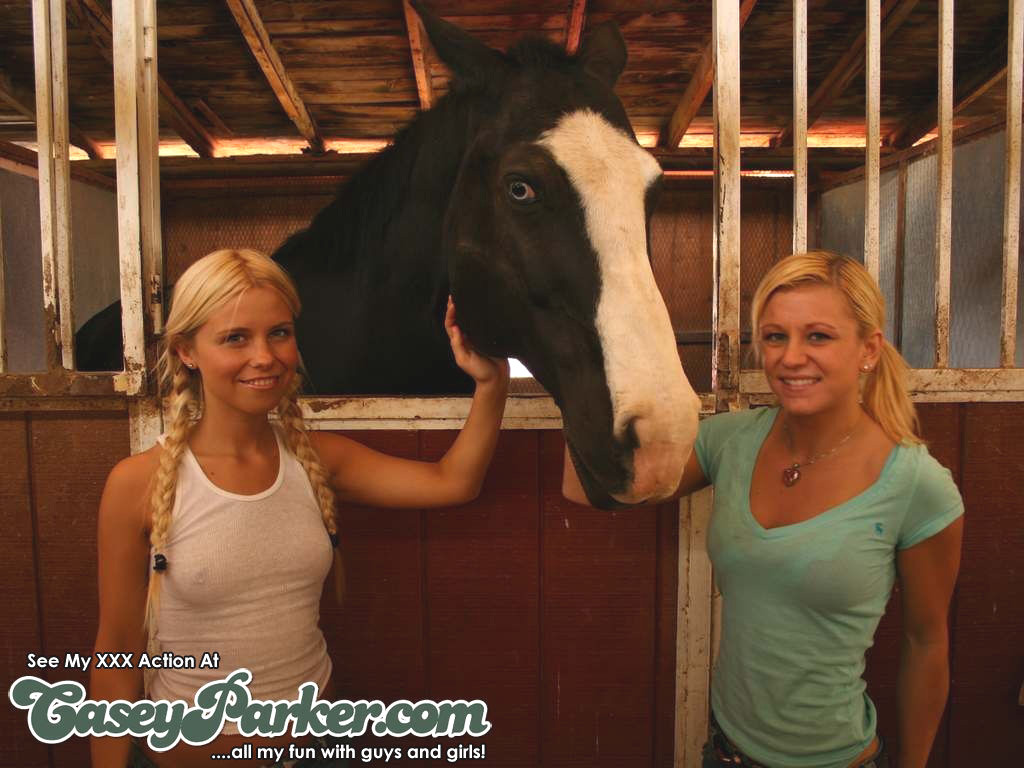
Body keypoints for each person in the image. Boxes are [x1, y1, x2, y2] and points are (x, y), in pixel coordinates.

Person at [91, 249, 509, 768]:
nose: (265, 356)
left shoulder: (318, 460)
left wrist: (491, 384)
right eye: (235, 338)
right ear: (187, 352)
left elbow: (453, 482)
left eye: (280, 333)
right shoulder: (138, 483)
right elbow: (116, 652)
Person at [564, 251, 963, 768]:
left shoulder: (916, 483)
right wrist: (569, 362)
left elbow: (927, 642)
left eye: (817, 336)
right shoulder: (733, 440)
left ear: (868, 350)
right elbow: (595, 489)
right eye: (775, 337)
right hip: (725, 753)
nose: (791, 357)